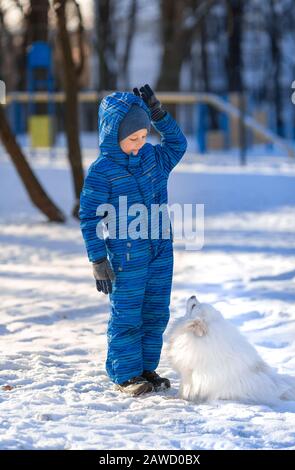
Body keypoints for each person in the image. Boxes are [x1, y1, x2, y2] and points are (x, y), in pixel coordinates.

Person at [79, 85, 187, 396]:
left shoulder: (155, 157)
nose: (140, 144)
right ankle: (125, 374)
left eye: (143, 136)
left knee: (156, 310)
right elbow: (89, 218)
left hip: (160, 249)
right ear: (113, 135)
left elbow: (178, 143)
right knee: (127, 312)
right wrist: (98, 259)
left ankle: (145, 368)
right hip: (127, 254)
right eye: (132, 139)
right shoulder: (102, 171)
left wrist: (159, 115)